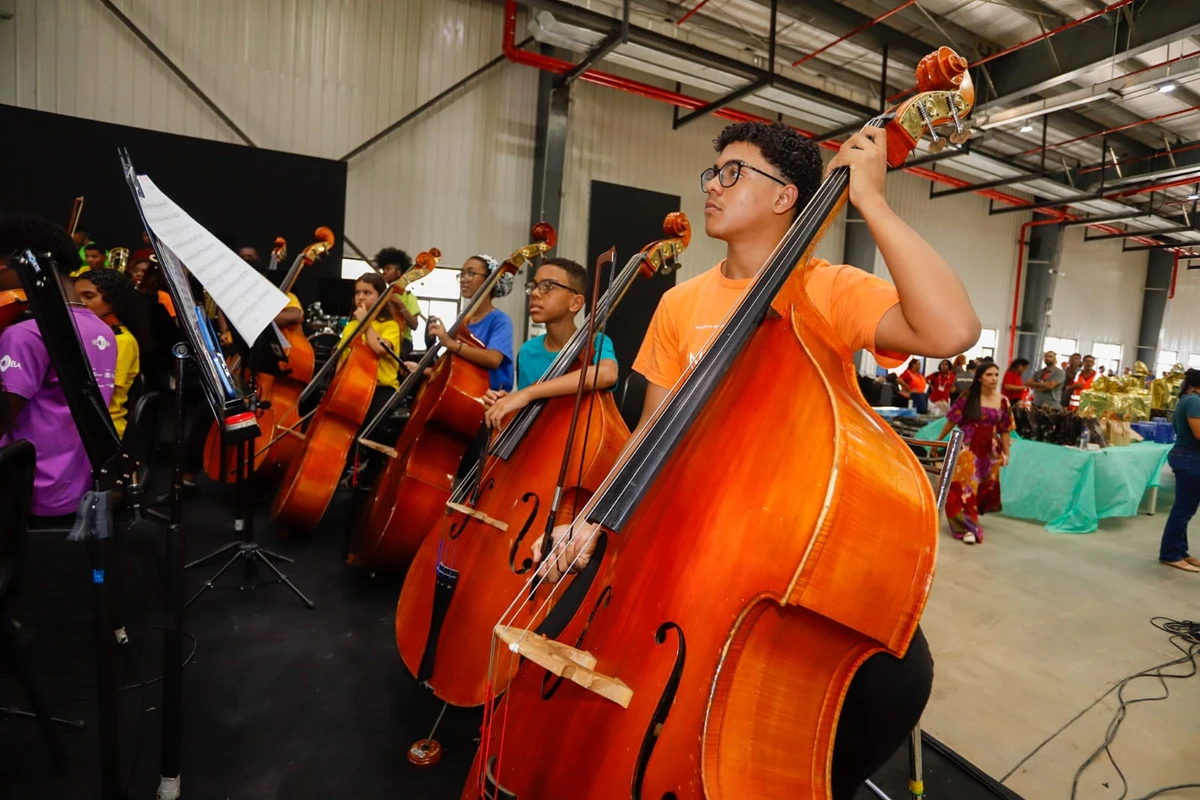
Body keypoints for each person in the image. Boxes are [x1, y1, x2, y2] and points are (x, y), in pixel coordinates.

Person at [530, 120, 980, 799]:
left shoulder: (826, 289)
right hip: (688, 529)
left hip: (788, 540)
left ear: (785, 198)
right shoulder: (680, 302)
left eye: (733, 173)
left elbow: (951, 330)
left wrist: (875, 204)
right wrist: (593, 519)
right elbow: (651, 430)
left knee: (900, 677)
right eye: (713, 173)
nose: (712, 186)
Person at [0, 214, 117, 519]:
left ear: (23, 265)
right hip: (76, 487)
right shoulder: (102, 331)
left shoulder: (25, 334)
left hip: (26, 489)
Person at [481, 257, 618, 429]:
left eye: (548, 286)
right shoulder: (528, 351)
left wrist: (528, 392)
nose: (535, 293)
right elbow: (529, 412)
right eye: (534, 286)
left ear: (575, 303)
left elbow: (606, 374)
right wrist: (505, 404)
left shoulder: (596, 341)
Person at [938, 362, 1012, 544]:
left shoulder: (1003, 401)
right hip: (968, 449)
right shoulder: (968, 397)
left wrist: (1006, 453)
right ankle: (967, 529)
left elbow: (1005, 429)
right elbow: (952, 421)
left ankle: (970, 518)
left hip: (990, 451)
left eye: (996, 374)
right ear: (980, 378)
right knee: (964, 488)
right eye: (989, 375)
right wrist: (939, 441)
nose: (994, 378)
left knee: (983, 488)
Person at [74, 269, 153, 438]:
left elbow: (102, 396)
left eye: (88, 296)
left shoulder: (122, 340)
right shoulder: (86, 334)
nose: (79, 303)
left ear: (113, 301)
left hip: (105, 430)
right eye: (75, 296)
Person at [425, 255, 515, 393]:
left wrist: (451, 344)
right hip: (462, 392)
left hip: (489, 400)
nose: (463, 279)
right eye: (462, 274)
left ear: (489, 280)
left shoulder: (500, 320)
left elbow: (494, 359)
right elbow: (456, 363)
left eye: (471, 273)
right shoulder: (463, 320)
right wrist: (430, 370)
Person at [1159, 369, 1200, 573]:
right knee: (1182, 510)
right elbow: (1198, 433)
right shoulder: (1193, 401)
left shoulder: (1189, 399)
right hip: (1190, 457)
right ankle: (1170, 554)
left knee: (1187, 509)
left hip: (1189, 456)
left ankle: (1180, 550)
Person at [375, 248, 422, 358]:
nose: (384, 272)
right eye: (383, 269)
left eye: (388, 268)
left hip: (403, 340)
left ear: (399, 272)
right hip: (381, 335)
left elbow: (414, 325)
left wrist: (400, 305)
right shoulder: (381, 295)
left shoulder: (409, 297)